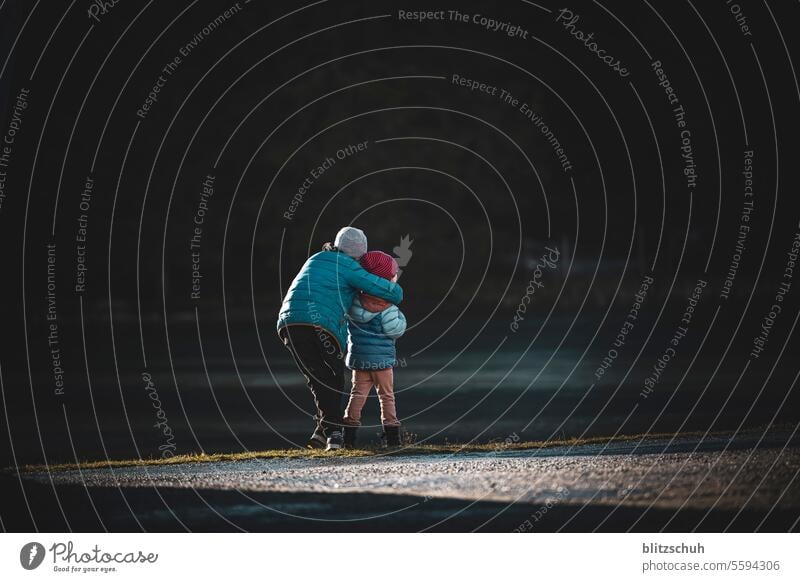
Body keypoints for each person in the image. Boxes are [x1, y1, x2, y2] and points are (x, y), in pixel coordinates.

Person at [277, 227, 403, 451]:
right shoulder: (350, 267)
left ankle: (322, 432)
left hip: (289, 323)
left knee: (317, 377)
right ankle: (334, 435)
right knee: (333, 379)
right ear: (359, 254)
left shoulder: (316, 258)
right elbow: (395, 293)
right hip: (322, 326)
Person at [342, 251, 407, 448]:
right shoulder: (388, 309)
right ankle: (392, 437)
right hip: (382, 362)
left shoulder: (352, 303)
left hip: (360, 359)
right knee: (386, 396)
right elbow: (396, 330)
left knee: (356, 395)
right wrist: (402, 318)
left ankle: (348, 437)